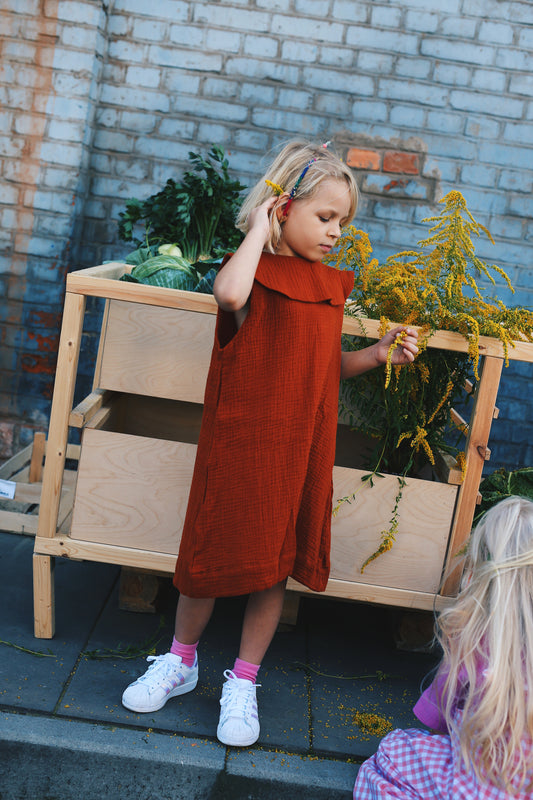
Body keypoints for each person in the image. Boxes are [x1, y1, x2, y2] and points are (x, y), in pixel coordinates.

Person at [121, 141, 419, 747]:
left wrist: (377, 353)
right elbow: (227, 297)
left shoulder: (330, 286)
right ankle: (180, 661)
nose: (337, 232)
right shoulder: (249, 272)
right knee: (206, 559)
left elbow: (320, 367)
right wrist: (258, 227)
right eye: (325, 217)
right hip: (239, 445)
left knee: (273, 567)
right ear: (283, 209)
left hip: (296, 448)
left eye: (343, 222)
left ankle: (245, 680)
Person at [353, 495, 533, 799]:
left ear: (480, 574)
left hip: (476, 786)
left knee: (390, 756)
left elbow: (437, 723)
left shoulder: (473, 637)